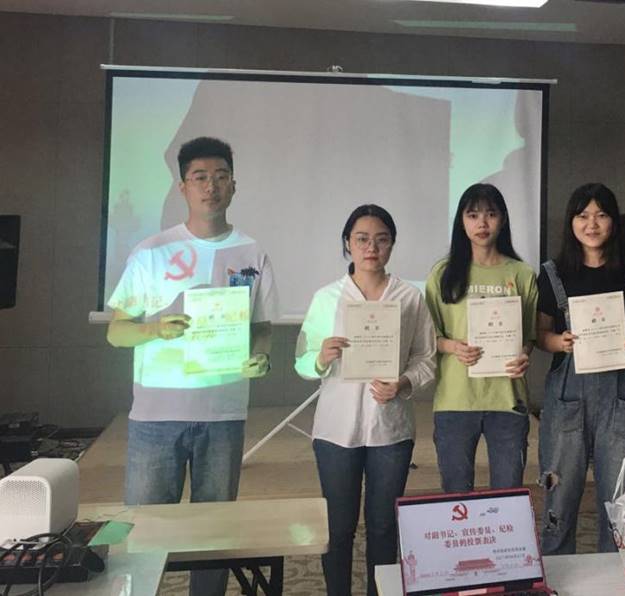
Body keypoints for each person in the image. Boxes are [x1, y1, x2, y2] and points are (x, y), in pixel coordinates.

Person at [106, 137, 277, 596]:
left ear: (234, 185)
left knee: (213, 536)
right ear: (182, 187)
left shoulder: (252, 253)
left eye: (221, 177)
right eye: (200, 177)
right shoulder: (151, 251)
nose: (211, 187)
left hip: (223, 415)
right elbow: (116, 332)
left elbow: (262, 327)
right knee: (143, 534)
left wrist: (260, 357)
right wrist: (154, 330)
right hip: (156, 417)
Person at [295, 204, 436, 596]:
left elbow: (426, 359)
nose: (371, 248)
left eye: (381, 239)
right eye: (362, 239)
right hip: (336, 430)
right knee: (338, 527)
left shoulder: (410, 297)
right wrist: (321, 358)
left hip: (390, 429)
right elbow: (301, 361)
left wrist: (404, 382)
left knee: (384, 526)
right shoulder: (327, 297)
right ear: (347, 243)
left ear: (392, 245)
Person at [536, 183, 625, 554]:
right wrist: (559, 342)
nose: (592, 224)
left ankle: (616, 575)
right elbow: (541, 334)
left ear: (613, 222)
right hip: (567, 398)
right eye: (583, 215)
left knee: (620, 498)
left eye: (601, 215)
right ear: (571, 222)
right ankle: (556, 573)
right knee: (559, 495)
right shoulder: (553, 273)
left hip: (620, 398)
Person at [425, 183, 538, 494]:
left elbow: (529, 334)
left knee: (507, 494)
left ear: (503, 219)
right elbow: (427, 336)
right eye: (473, 215)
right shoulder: (443, 273)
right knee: (456, 495)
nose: (482, 223)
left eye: (491, 214)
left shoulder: (522, 273)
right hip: (456, 399)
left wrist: (524, 353)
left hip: (508, 399)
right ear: (461, 221)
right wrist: (452, 346)